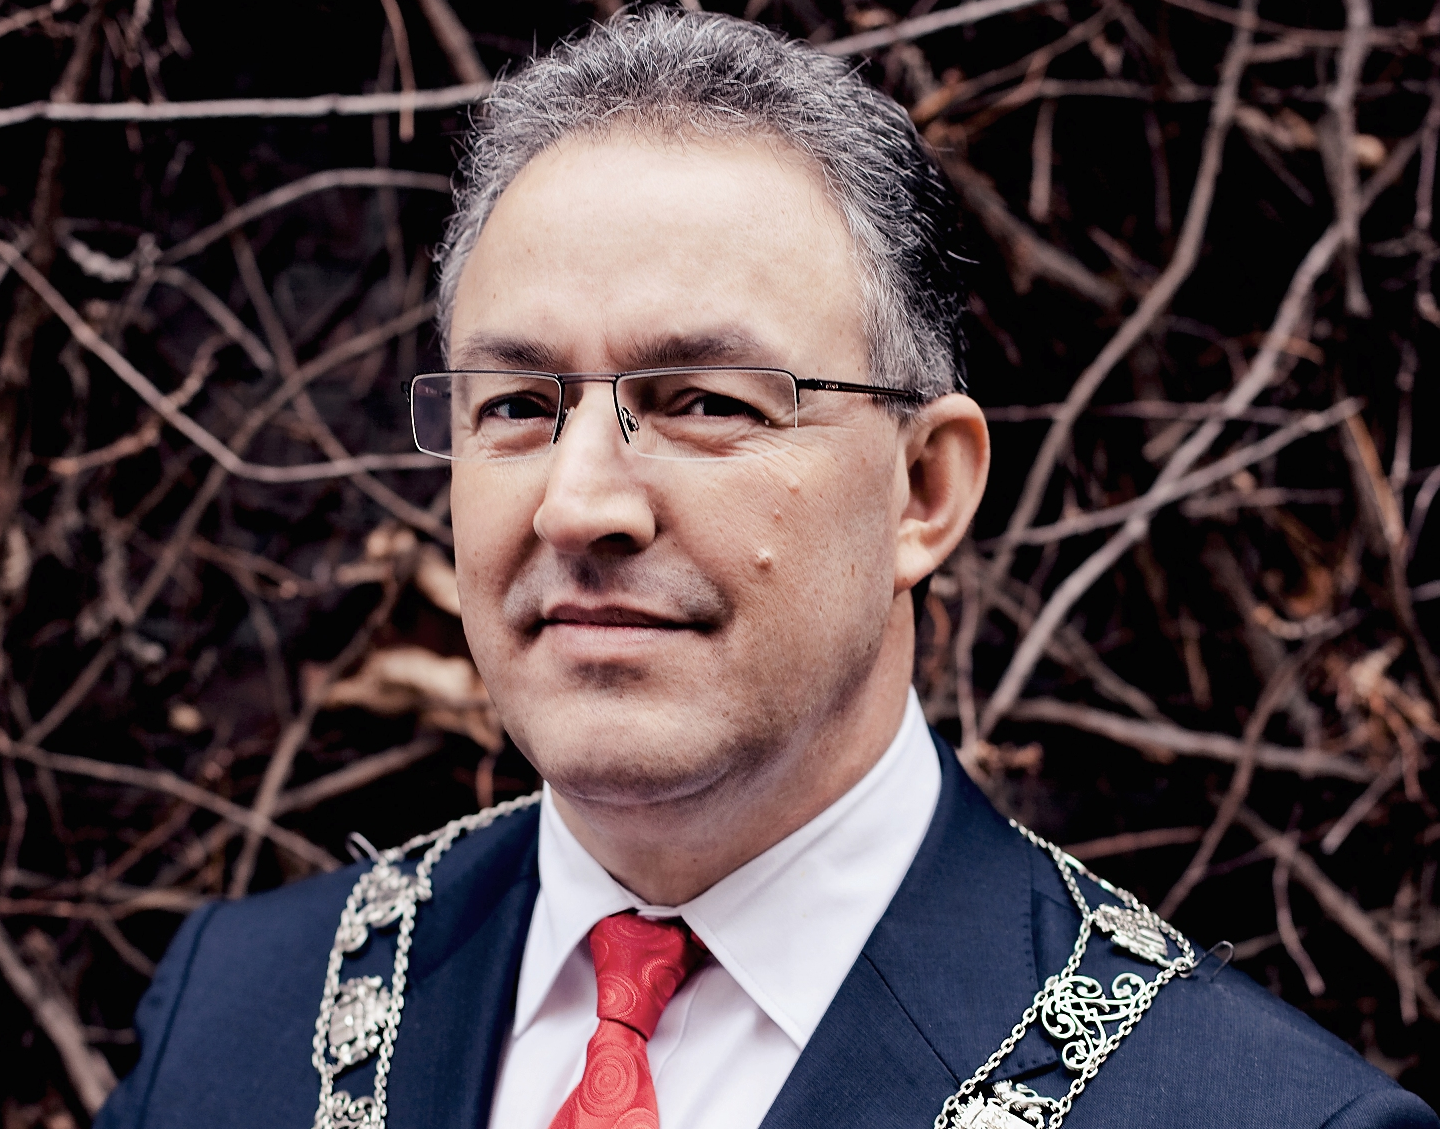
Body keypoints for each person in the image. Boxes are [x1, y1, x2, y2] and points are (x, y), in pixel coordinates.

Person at [96, 9, 1437, 1129]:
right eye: (515, 405)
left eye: (704, 403)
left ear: (925, 489)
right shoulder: (238, 1022)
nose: (579, 503)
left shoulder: (1246, 1114)